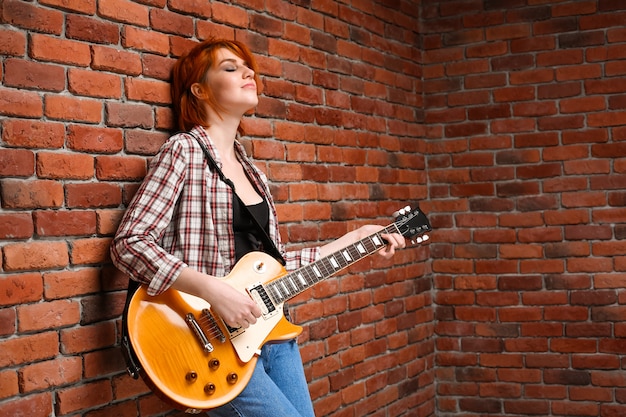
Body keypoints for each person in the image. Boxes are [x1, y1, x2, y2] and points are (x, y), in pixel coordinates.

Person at [110, 38, 406, 417]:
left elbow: (274, 268)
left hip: (272, 335)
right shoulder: (183, 151)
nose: (249, 72)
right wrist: (213, 291)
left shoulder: (255, 176)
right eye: (231, 68)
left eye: (248, 67)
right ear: (199, 90)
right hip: (208, 341)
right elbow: (130, 244)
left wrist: (356, 239)